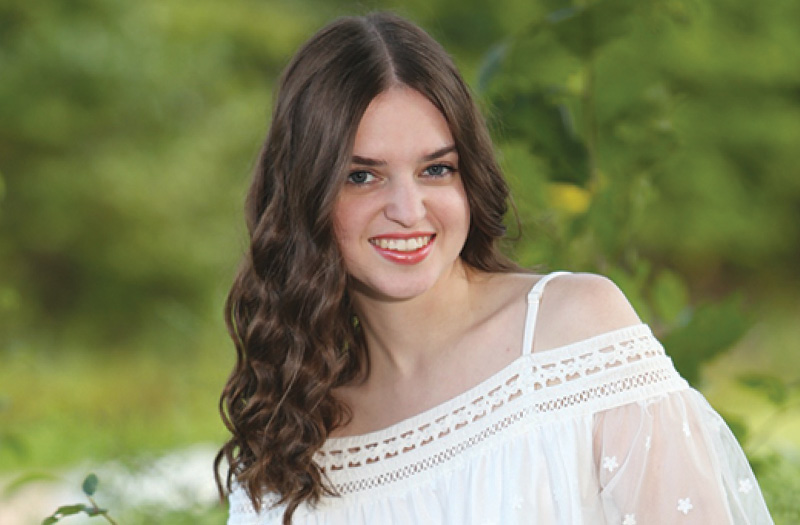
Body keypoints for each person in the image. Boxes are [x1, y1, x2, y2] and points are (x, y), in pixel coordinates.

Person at [216, 12, 773, 525]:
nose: (409, 211)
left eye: (435, 170)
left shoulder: (574, 334)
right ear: (304, 195)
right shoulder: (289, 439)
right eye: (362, 176)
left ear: (470, 178)